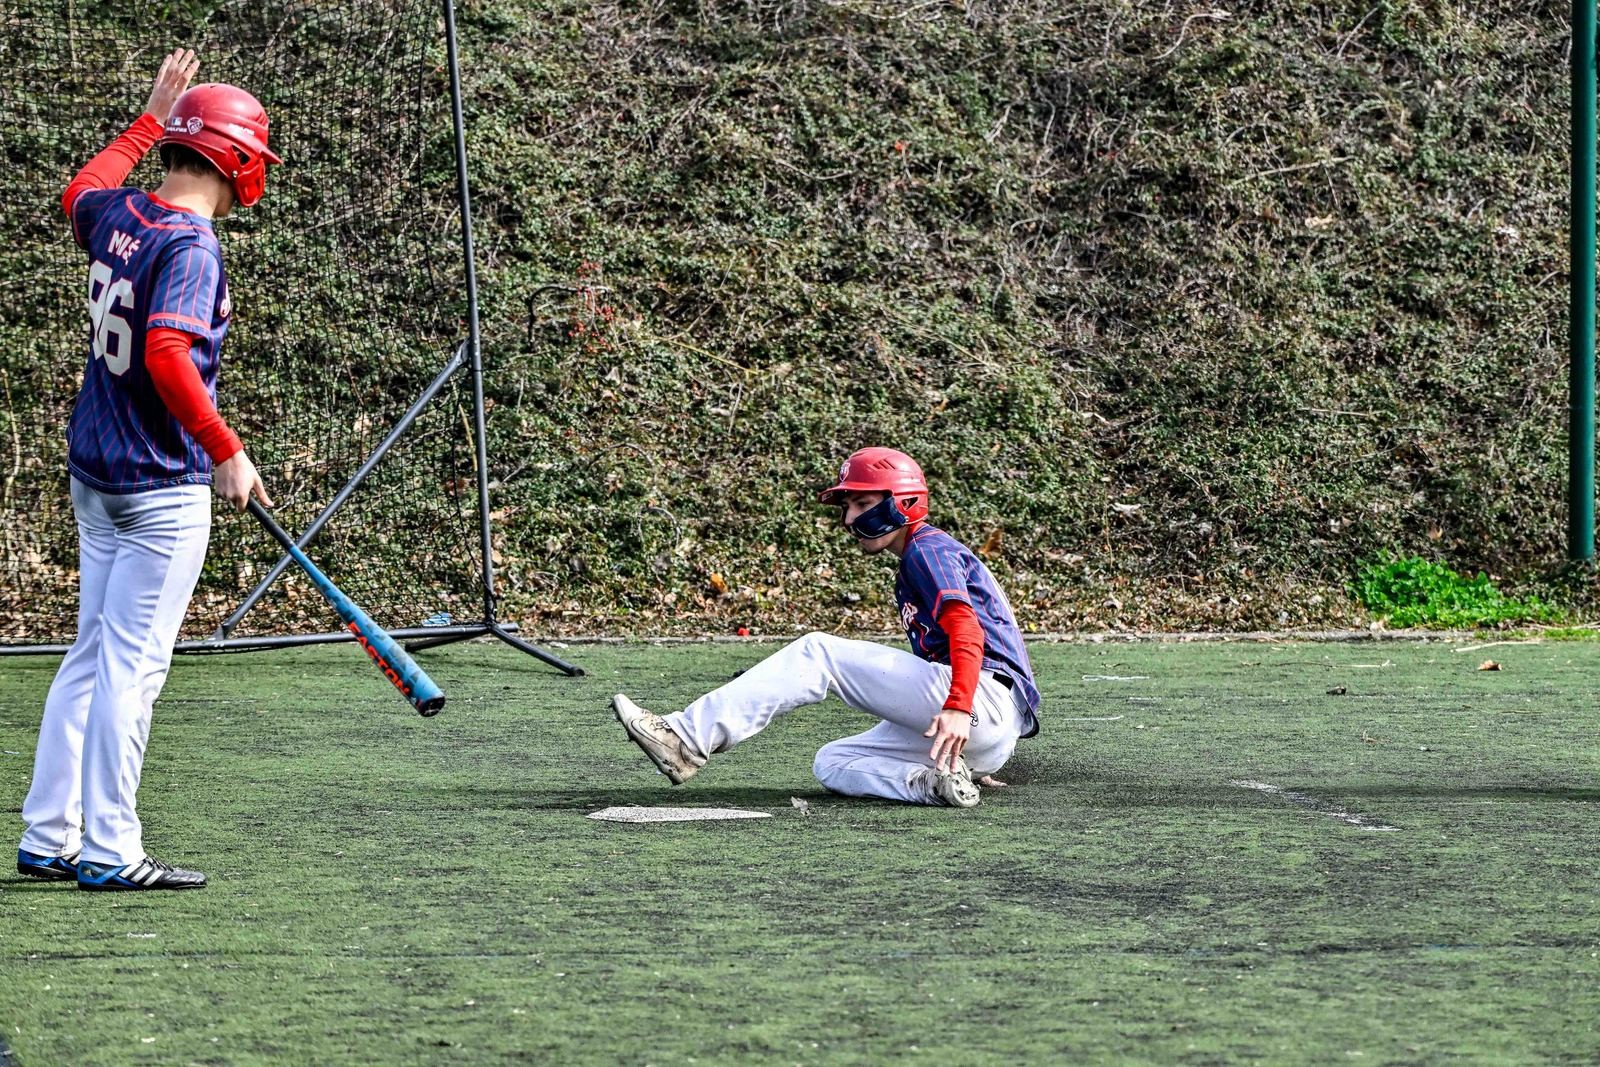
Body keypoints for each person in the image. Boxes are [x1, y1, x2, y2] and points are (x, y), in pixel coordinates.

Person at [16, 51, 281, 890]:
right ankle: (110, 849)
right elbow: (167, 350)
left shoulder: (122, 215)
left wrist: (145, 121)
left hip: (95, 473)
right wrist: (225, 447)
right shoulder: (193, 248)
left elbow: (77, 192)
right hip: (159, 487)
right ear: (237, 162)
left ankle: (49, 832)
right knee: (132, 667)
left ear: (176, 145)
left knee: (93, 656)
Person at [614, 447, 1041, 807]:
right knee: (834, 760)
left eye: (863, 503)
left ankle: (684, 739)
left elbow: (967, 629)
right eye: (847, 506)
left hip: (978, 703)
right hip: (987, 735)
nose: (849, 518)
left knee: (818, 652)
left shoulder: (926, 550)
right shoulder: (924, 553)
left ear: (904, 502)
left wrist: (959, 707)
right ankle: (935, 783)